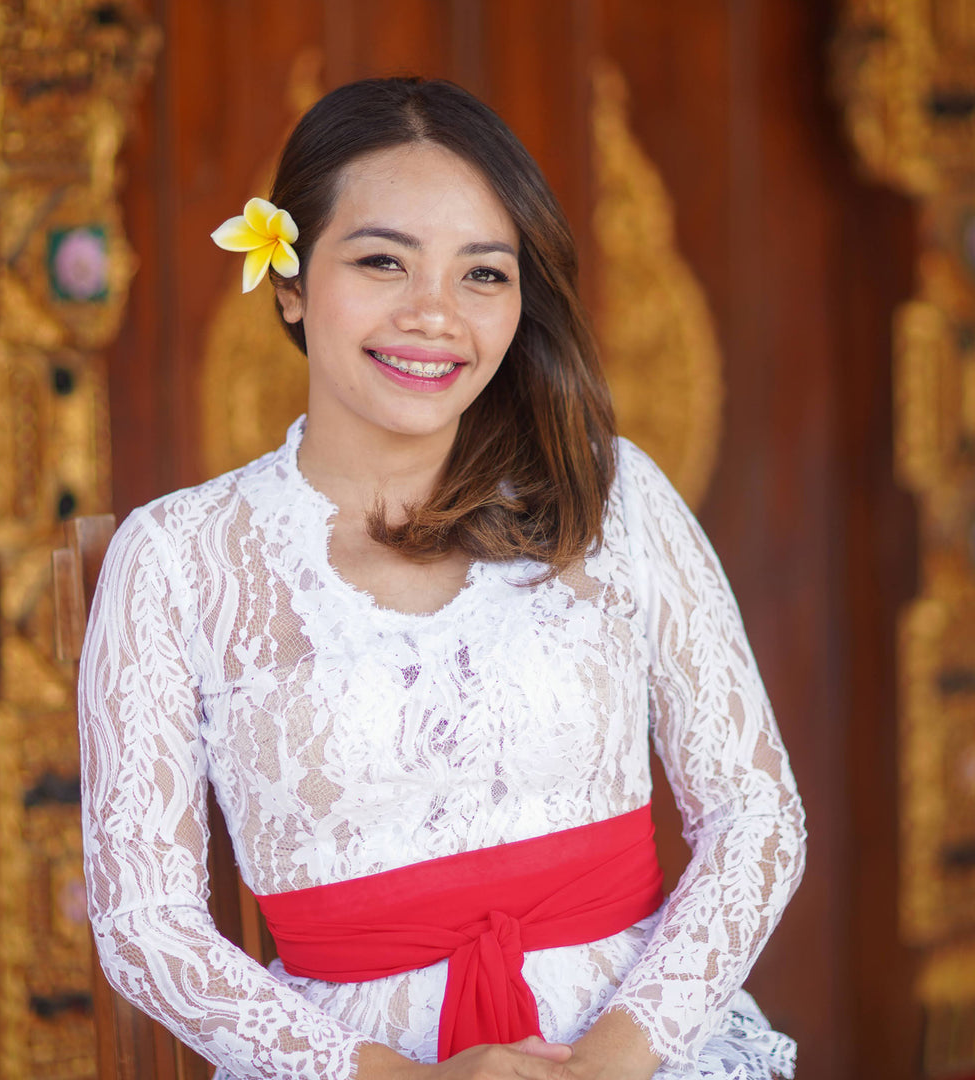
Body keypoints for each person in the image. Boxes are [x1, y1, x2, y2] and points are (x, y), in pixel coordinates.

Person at [78, 76, 807, 1080]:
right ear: (288, 280)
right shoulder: (179, 558)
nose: (435, 317)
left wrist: (616, 1060)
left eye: (483, 274)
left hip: (640, 1047)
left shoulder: (610, 492)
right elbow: (145, 923)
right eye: (383, 261)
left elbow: (755, 816)